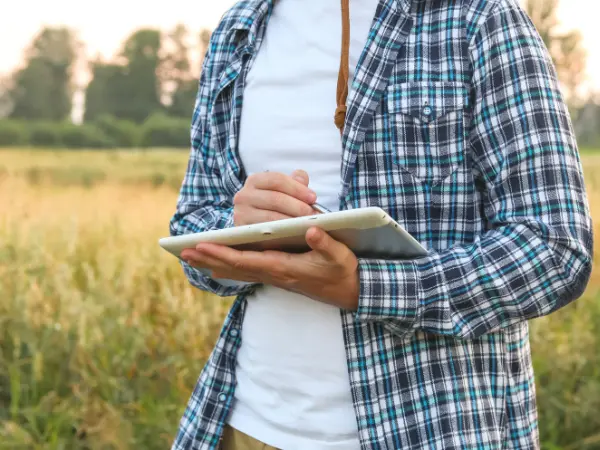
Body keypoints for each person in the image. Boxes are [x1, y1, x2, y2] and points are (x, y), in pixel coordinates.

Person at [168, 0, 594, 448]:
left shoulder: (479, 16)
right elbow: (193, 228)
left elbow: (554, 247)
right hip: (248, 425)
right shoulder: (239, 29)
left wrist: (363, 287)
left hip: (430, 431)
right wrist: (237, 228)